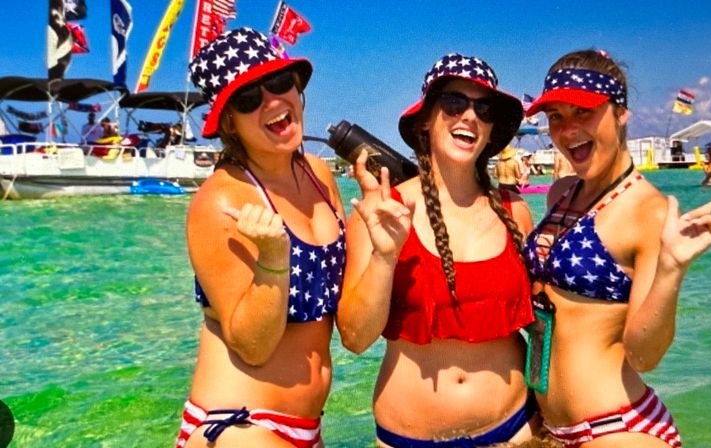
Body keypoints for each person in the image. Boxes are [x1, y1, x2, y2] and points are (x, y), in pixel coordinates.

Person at [522, 49, 711, 448]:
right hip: (550, 429)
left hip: (617, 427)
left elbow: (645, 356)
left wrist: (671, 270)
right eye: (556, 117)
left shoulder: (648, 212)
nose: (567, 130)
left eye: (583, 112)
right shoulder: (560, 193)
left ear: (621, 113)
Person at [338, 53, 543, 447]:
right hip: (409, 438)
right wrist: (385, 254)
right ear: (426, 120)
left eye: (484, 109)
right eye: (454, 102)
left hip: (516, 429)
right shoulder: (382, 211)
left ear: (490, 129)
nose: (470, 116)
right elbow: (355, 338)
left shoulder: (515, 211)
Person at [176, 27, 345, 448]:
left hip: (307, 427)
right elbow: (252, 345)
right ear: (228, 121)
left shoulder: (318, 175)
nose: (271, 101)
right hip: (238, 426)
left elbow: (354, 332)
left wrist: (381, 243)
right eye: (249, 98)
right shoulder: (220, 202)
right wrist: (273, 258)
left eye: (278, 83)